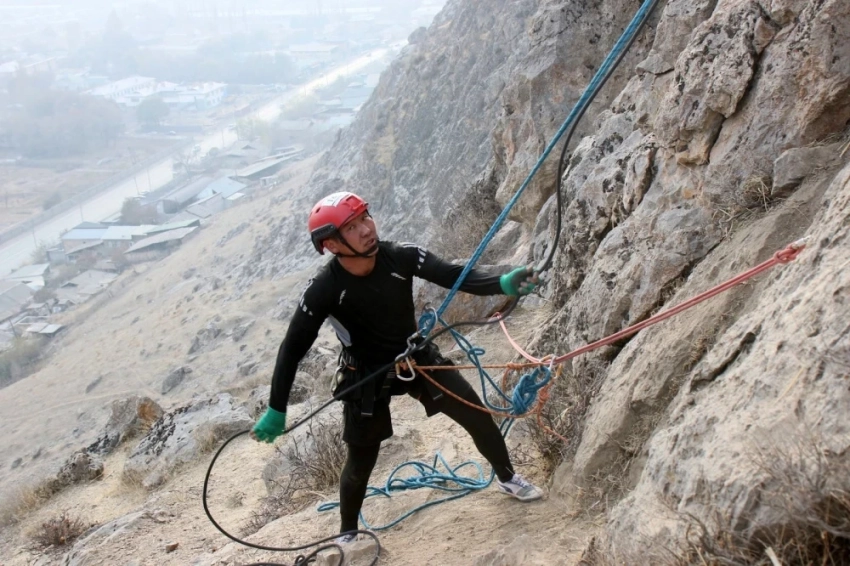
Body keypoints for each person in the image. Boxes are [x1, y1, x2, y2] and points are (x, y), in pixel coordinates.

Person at [252, 191, 543, 542]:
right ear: (330, 244)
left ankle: (508, 478)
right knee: (360, 462)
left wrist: (502, 282)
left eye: (365, 217)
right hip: (366, 375)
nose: (366, 229)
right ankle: (348, 533)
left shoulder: (401, 255)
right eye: (352, 226)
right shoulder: (323, 289)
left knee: (477, 415)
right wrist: (276, 409)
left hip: (415, 357)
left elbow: (454, 275)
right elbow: (291, 349)